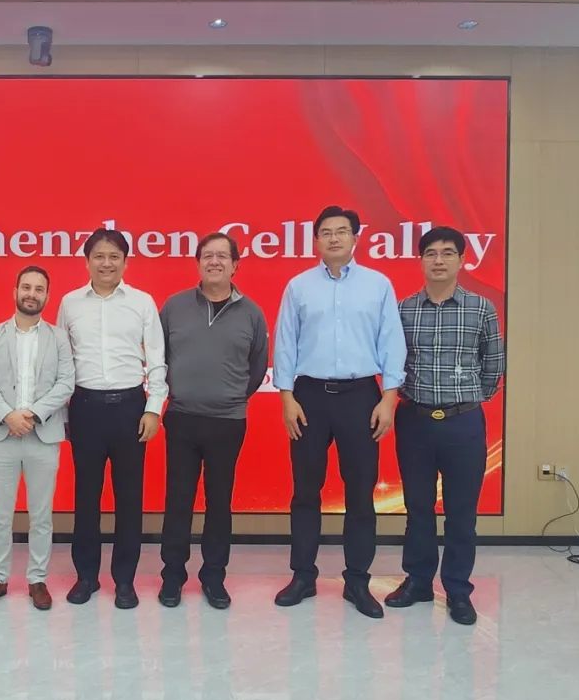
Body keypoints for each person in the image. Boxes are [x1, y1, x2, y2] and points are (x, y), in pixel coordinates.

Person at [272, 205, 406, 618]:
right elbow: (285, 342)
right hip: (309, 397)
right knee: (305, 491)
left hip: (361, 396)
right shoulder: (298, 286)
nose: (334, 238)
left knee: (360, 493)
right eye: (326, 232)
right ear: (316, 240)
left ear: (355, 238)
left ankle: (358, 581)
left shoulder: (377, 285)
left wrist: (388, 398)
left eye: (342, 231)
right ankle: (303, 576)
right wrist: (286, 396)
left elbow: (392, 342)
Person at [385, 227, 505, 626]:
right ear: (420, 260)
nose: (438, 260)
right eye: (431, 253)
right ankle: (418, 581)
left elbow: (493, 363)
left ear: (461, 259)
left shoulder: (481, 308)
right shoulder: (403, 309)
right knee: (418, 508)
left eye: (447, 253)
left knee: (461, 513)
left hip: (463, 424)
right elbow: (392, 362)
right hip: (415, 421)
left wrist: (469, 399)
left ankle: (457, 589)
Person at [56, 228, 168, 609]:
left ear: (125, 261)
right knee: (86, 498)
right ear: (87, 261)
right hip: (85, 407)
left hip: (130, 408)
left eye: (114, 256)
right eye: (99, 256)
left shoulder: (142, 302)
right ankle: (86, 576)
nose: (106, 263)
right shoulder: (70, 304)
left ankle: (124, 580)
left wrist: (153, 408)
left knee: (129, 499)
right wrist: (63, 412)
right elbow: (62, 360)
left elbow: (157, 358)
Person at [157, 232, 269, 610]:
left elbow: (257, 366)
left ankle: (214, 577)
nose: (215, 262)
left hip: (227, 421)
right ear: (198, 263)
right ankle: (173, 576)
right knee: (178, 501)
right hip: (182, 418)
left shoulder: (251, 313)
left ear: (236, 265)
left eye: (223, 256)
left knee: (219, 502)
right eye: (207, 255)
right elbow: (160, 357)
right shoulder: (174, 307)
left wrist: (231, 395)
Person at [0, 266, 76, 611]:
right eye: (26, 287)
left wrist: (31, 414)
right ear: (15, 291)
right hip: (1, 435)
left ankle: (37, 579)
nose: (32, 294)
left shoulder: (58, 338)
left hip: (42, 435)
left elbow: (66, 383)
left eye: (39, 289)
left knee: (41, 515)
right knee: (0, 516)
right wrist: (9, 416)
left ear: (47, 296)